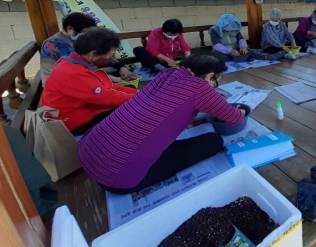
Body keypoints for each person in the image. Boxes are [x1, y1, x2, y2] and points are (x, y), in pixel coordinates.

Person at [78, 54, 245, 194]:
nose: (215, 86)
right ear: (210, 76)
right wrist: (241, 111)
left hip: (90, 155)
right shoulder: (201, 88)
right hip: (118, 178)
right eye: (216, 81)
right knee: (213, 141)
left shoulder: (168, 74)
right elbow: (235, 119)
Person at [41, 28, 138, 135]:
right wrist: (140, 98)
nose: (112, 59)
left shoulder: (75, 62)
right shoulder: (72, 72)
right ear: (93, 53)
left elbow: (107, 87)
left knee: (131, 92)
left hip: (78, 108)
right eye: (111, 55)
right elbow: (105, 97)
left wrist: (139, 93)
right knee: (127, 110)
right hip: (67, 121)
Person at [40, 13, 133, 84]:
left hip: (81, 76)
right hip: (62, 83)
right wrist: (112, 79)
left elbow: (101, 55)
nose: (87, 35)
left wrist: (120, 67)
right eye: (84, 32)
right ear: (70, 29)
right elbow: (80, 67)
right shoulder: (56, 44)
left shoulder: (79, 40)